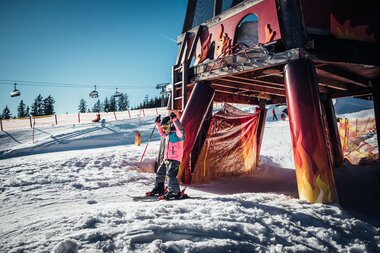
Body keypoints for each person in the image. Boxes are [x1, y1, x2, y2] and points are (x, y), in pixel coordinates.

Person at [148, 112, 185, 199]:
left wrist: (175, 120)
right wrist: (158, 124)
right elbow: (162, 133)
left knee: (171, 174)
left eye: (165, 127)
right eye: (163, 128)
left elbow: (181, 130)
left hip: (175, 158)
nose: (164, 129)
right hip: (167, 158)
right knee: (160, 172)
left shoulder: (178, 134)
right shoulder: (167, 134)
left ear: (170, 125)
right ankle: (159, 188)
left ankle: (174, 192)